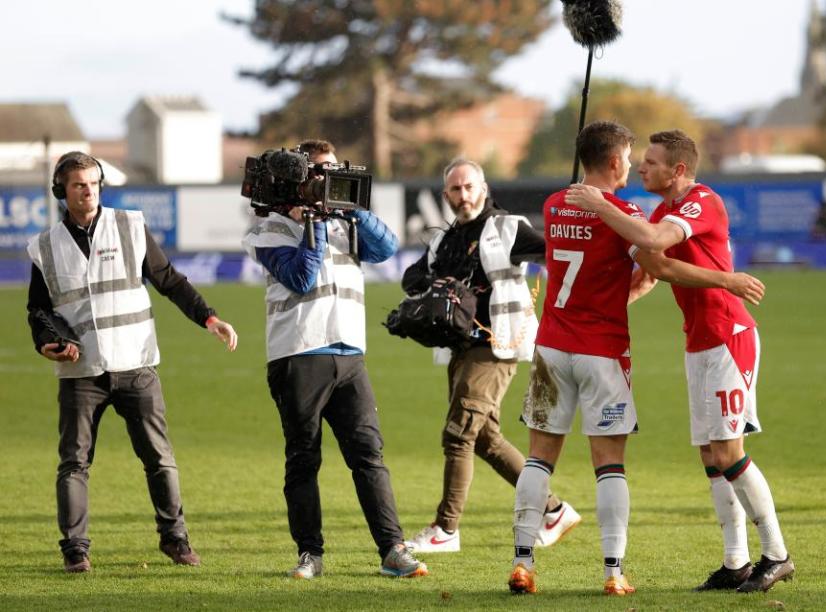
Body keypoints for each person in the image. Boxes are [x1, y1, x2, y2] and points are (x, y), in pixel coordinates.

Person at [509, 121, 766, 597]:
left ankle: (522, 563)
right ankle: (613, 572)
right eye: (629, 157)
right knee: (609, 464)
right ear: (612, 162)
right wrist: (726, 279)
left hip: (551, 346)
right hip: (602, 351)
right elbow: (656, 267)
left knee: (539, 458)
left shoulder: (553, 203)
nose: (633, 165)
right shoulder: (623, 214)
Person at [564, 128, 794, 593]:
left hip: (730, 336)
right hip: (699, 342)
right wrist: (599, 311)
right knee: (711, 456)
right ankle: (736, 563)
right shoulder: (666, 209)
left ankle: (777, 553)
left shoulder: (700, 202)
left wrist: (601, 204)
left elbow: (650, 239)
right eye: (641, 160)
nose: (642, 168)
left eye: (651, 162)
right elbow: (658, 270)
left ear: (679, 170)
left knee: (729, 452)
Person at [26, 151, 239, 573]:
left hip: (137, 366)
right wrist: (48, 342)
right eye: (77, 185)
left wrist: (208, 317)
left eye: (93, 183)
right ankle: (75, 551)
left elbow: (171, 281)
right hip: (81, 373)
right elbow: (38, 313)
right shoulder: (44, 247)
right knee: (74, 463)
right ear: (61, 192)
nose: (87, 191)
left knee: (159, 458)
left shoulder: (130, 226)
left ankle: (176, 541)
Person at [241, 139, 427, 579]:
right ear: (299, 177)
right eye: (317, 173)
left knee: (369, 456)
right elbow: (302, 277)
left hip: (349, 352)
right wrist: (315, 224)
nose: (326, 181)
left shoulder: (345, 221)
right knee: (304, 459)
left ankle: (392, 550)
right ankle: (310, 554)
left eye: (332, 172)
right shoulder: (268, 230)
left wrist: (350, 209)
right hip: (297, 353)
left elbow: (387, 248)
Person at [401, 159, 581, 554]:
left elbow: (555, 250)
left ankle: (446, 529)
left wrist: (568, 226)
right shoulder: (444, 240)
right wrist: (439, 283)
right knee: (484, 439)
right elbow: (410, 277)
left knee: (458, 432)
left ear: (483, 188)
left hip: (497, 343)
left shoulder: (506, 227)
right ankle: (553, 511)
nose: (463, 196)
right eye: (454, 190)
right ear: (445, 195)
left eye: (469, 187)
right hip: (460, 346)